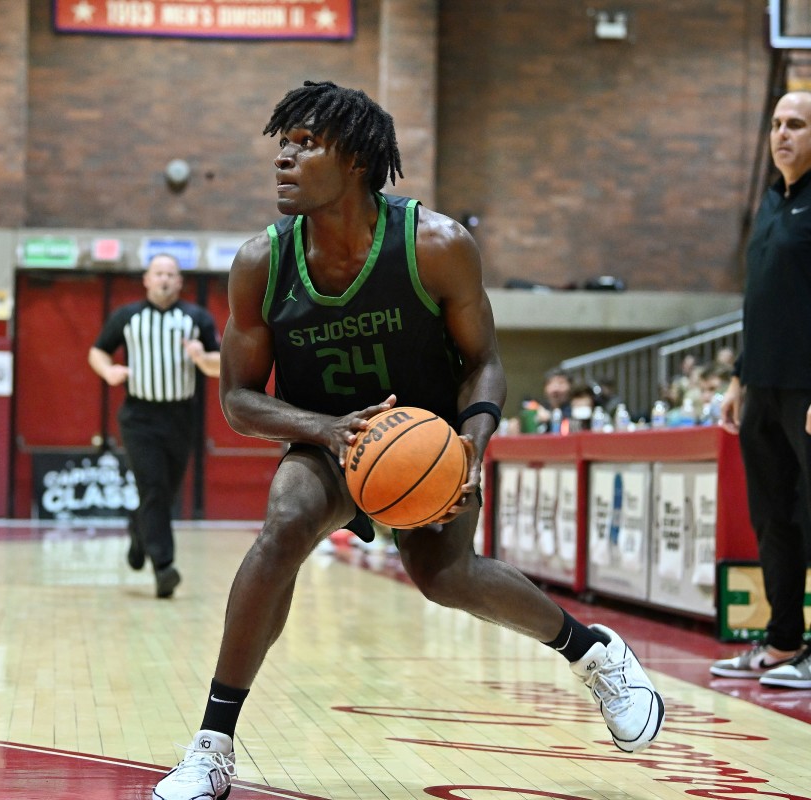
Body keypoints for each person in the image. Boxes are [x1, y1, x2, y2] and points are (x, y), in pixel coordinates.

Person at [152, 80, 664, 800]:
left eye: (306, 144)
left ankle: (593, 654)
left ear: (357, 160)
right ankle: (212, 745)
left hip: (427, 443)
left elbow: (484, 361)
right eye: (283, 145)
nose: (285, 159)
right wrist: (325, 429)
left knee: (443, 576)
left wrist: (474, 446)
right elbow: (237, 399)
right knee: (286, 524)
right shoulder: (261, 264)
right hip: (327, 441)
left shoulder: (436, 246)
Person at [712, 90, 811, 689]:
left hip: (807, 389)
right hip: (763, 387)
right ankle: (782, 644)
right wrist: (738, 378)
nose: (782, 134)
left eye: (796, 124)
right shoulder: (773, 201)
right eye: (776, 124)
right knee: (774, 518)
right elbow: (762, 303)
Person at [88, 253, 221, 598]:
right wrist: (109, 372)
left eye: (171, 274)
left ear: (179, 282)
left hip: (180, 416)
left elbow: (219, 366)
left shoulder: (197, 318)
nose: (164, 279)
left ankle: (138, 531)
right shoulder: (127, 317)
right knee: (155, 488)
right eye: (158, 273)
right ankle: (164, 567)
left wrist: (200, 357)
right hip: (139, 417)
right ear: (146, 280)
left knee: (162, 493)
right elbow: (98, 351)